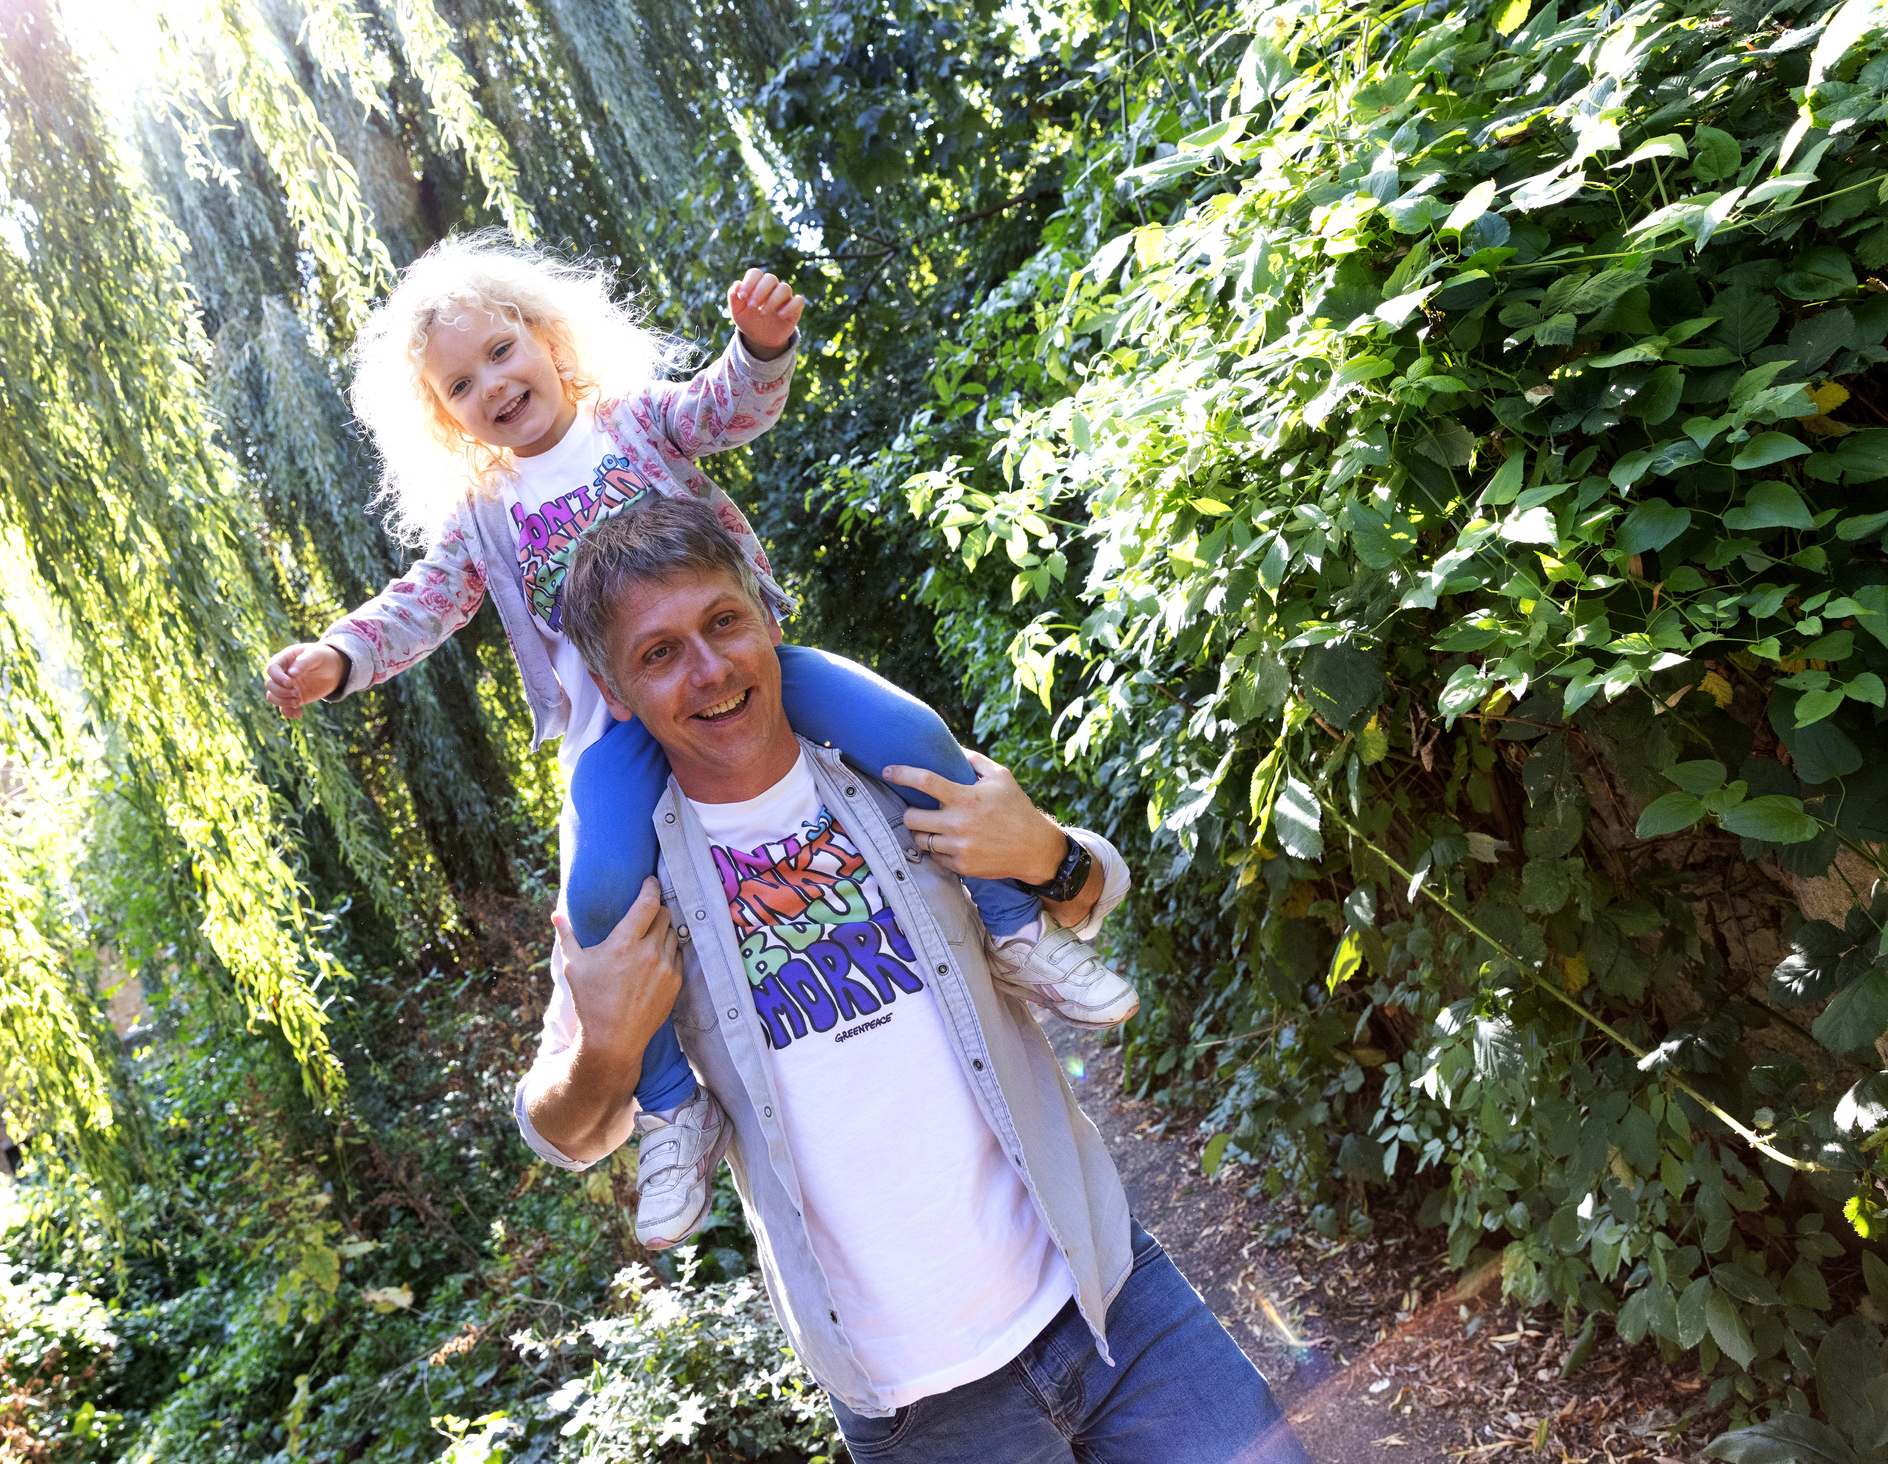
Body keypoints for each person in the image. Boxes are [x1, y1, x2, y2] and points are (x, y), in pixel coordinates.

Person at [260, 232, 1140, 1250]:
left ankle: (1017, 928)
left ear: (548, 339)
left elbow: (724, 409)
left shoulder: (631, 426)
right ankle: (674, 1108)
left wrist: (759, 347)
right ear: (445, 418)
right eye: (460, 383)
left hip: (756, 667)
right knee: (597, 904)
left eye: (501, 350)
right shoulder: (486, 519)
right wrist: (336, 655)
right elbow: (423, 604)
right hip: (623, 733)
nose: (492, 383)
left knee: (908, 732)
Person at [519, 497, 1310, 1464]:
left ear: (767, 611)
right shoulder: (630, 886)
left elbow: (1093, 889)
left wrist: (1050, 855)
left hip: (1110, 1299)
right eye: (660, 653)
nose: (710, 669)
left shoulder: (887, 766)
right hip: (919, 1413)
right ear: (615, 685)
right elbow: (561, 1130)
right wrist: (606, 1045)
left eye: (722, 622)